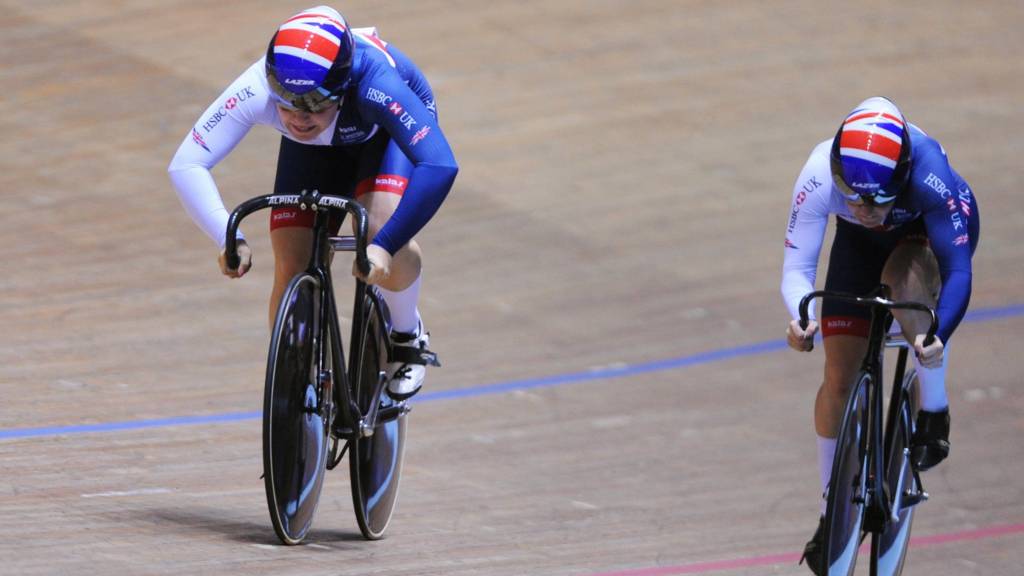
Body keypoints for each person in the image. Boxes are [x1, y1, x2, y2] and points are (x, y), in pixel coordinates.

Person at [168, 6, 458, 399]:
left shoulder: (377, 83)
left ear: (343, 85)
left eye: (316, 103)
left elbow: (439, 164)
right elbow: (187, 163)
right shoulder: (256, 86)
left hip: (381, 137)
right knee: (292, 261)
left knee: (375, 227)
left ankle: (406, 335)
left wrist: (385, 247)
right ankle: (292, 387)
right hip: (318, 148)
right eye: (286, 102)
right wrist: (227, 237)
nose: (299, 117)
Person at [780, 96, 979, 573]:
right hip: (858, 248)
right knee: (838, 375)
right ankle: (834, 514)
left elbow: (958, 272)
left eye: (876, 199)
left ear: (902, 176)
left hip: (925, 236)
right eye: (853, 197)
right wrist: (800, 317)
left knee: (905, 280)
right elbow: (797, 267)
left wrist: (938, 334)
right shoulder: (817, 174)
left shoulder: (930, 175)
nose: (865, 208)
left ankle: (934, 408)